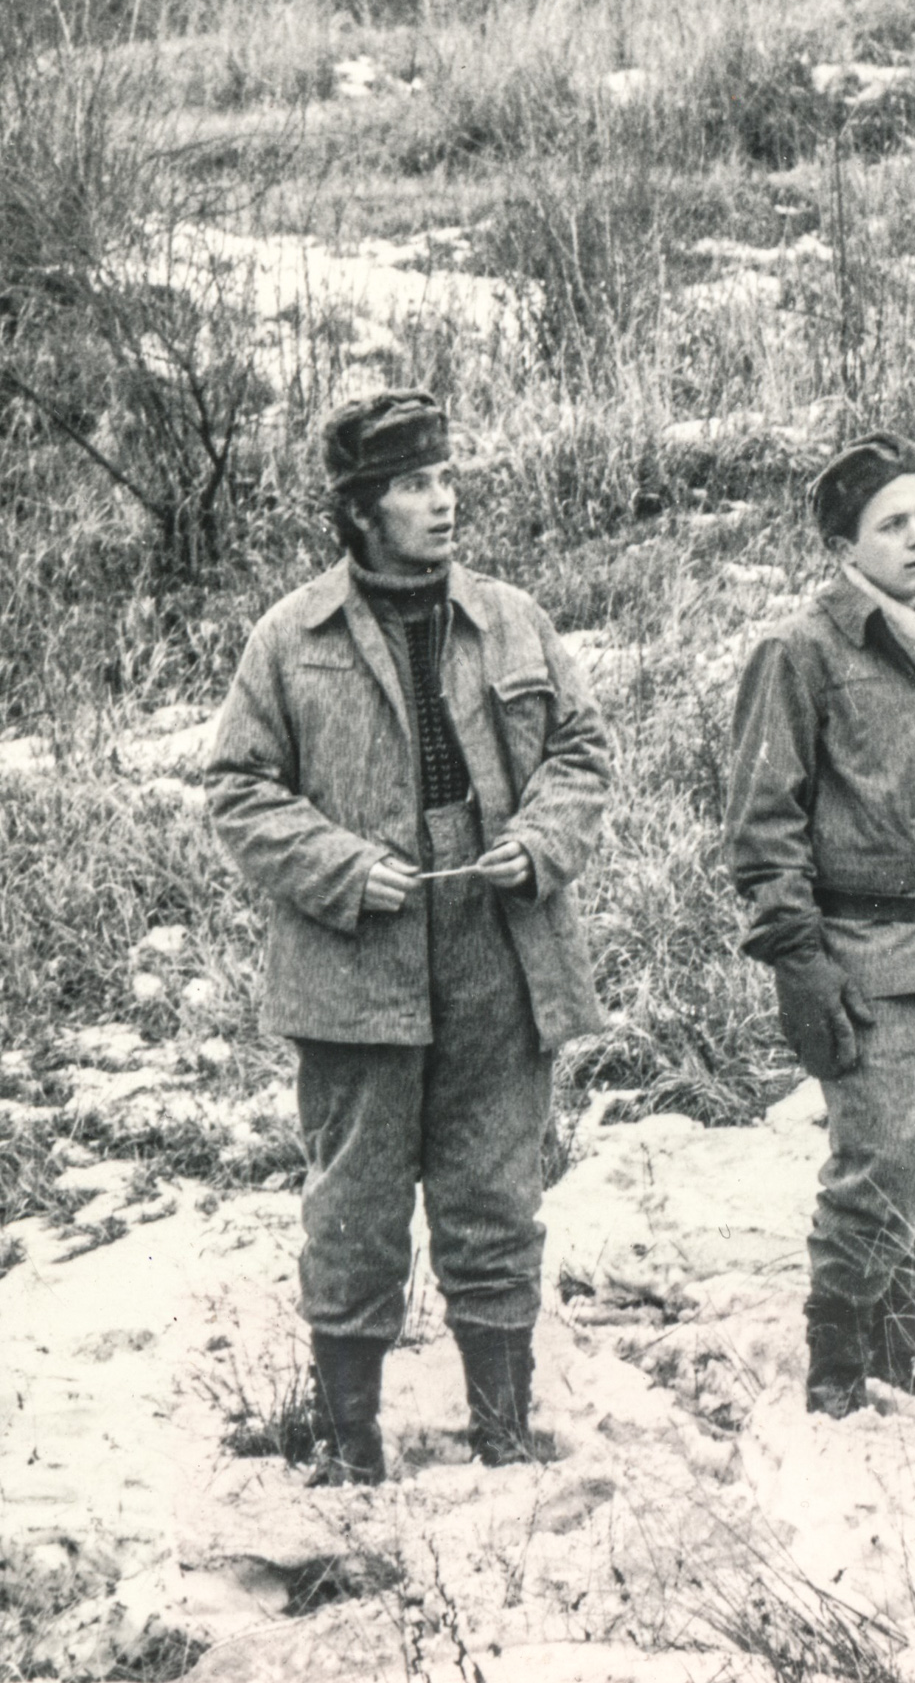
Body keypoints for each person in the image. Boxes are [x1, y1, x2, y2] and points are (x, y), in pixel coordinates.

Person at [207, 390, 610, 1483]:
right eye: (413, 485)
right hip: (353, 964)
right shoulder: (289, 637)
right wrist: (341, 866)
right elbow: (237, 788)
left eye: (446, 478)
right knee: (355, 1211)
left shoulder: (513, 619)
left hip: (498, 950)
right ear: (358, 509)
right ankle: (351, 1448)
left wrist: (538, 840)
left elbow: (581, 751)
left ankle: (504, 1435)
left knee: (495, 1199)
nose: (443, 502)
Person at [726, 431, 915, 1417]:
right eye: (892, 523)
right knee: (879, 1177)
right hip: (865, 959)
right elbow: (764, 826)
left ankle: (898, 1363)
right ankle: (836, 1382)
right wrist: (798, 961)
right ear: (843, 547)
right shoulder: (801, 652)